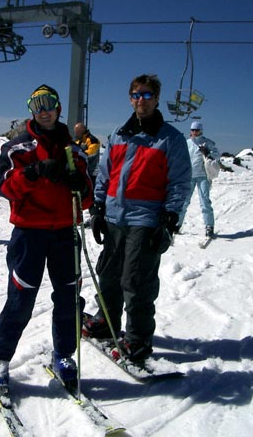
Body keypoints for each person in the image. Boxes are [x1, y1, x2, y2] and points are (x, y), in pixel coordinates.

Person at [0, 84, 93, 393]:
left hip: (63, 232)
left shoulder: (73, 150)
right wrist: (33, 172)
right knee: (21, 299)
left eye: (49, 103)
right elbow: (5, 188)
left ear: (58, 109)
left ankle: (63, 356)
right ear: (32, 110)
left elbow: (85, 199)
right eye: (37, 104)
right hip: (29, 234)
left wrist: (81, 187)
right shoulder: (18, 147)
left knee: (68, 299)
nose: (44, 109)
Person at [83, 74, 192, 363]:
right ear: (130, 98)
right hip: (115, 216)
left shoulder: (170, 138)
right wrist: (97, 208)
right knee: (108, 273)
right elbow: (105, 174)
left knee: (136, 280)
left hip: (145, 219)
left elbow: (180, 183)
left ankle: (138, 340)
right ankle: (106, 322)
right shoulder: (120, 134)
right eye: (135, 94)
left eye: (146, 95)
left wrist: (170, 221)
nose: (140, 100)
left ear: (156, 99)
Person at [177, 121, 221, 237]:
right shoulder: (187, 143)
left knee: (205, 201)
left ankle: (209, 226)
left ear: (201, 130)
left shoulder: (207, 142)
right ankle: (177, 225)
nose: (194, 132)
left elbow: (217, 154)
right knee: (184, 202)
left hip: (203, 176)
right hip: (189, 176)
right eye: (192, 130)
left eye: (197, 130)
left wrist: (208, 154)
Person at [73, 122, 101, 187]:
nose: (75, 134)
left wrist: (77, 155)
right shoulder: (79, 141)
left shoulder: (93, 140)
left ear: (81, 131)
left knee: (90, 193)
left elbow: (91, 154)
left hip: (91, 172)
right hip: (82, 172)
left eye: (77, 132)